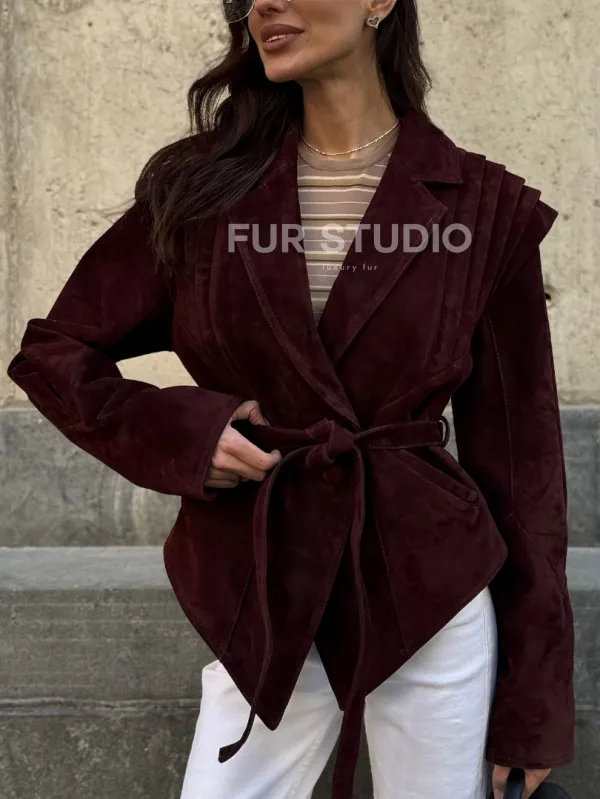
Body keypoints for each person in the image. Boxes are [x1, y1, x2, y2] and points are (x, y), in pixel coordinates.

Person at [6, 1, 575, 798]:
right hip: (269, 589)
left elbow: (525, 468)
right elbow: (55, 353)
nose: (263, 3)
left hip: (429, 585)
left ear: (379, 2)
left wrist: (533, 703)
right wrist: (188, 432)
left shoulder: (483, 207)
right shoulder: (203, 192)